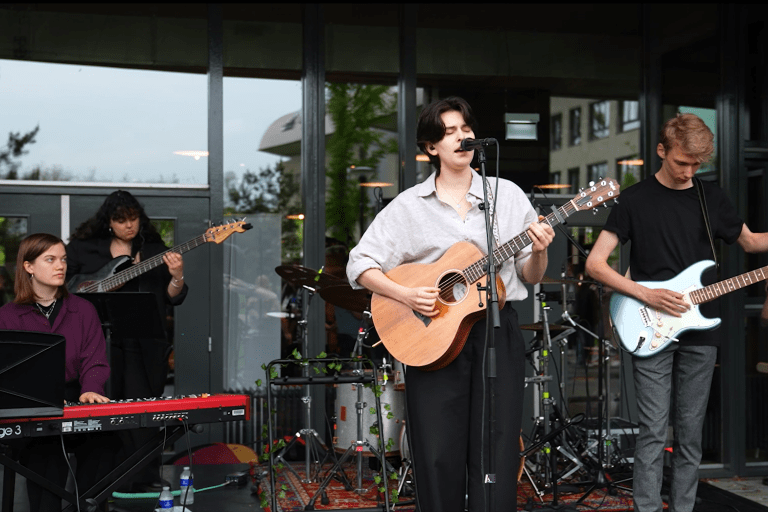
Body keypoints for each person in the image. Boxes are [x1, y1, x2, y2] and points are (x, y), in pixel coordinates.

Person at [346, 96, 554, 512]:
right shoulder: (408, 206)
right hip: (431, 336)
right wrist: (407, 294)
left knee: (496, 449)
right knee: (437, 451)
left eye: (465, 129)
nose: (462, 137)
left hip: (497, 331)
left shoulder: (506, 195)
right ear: (430, 148)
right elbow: (359, 264)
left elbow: (530, 276)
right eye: (449, 132)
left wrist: (541, 251)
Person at [585, 113, 768, 512]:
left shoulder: (711, 198)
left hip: (701, 330)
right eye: (681, 162)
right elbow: (596, 265)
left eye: (696, 165)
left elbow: (752, 242)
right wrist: (646, 295)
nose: (688, 172)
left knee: (690, 432)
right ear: (661, 150)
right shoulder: (633, 201)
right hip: (649, 325)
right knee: (652, 430)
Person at [65, 189, 188, 491]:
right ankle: (97, 483)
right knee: (102, 409)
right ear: (109, 222)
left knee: (142, 411)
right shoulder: (84, 248)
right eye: (121, 220)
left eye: (132, 218)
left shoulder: (154, 249)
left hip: (144, 344)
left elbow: (173, 297)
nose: (128, 225)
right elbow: (67, 285)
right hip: (99, 341)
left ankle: (141, 479)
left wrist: (177, 275)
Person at [0, 233, 119, 512]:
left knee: (108, 445)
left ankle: (87, 507)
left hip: (78, 398)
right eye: (50, 259)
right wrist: (42, 397)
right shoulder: (7, 315)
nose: (60, 266)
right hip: (31, 409)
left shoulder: (84, 309)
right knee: (45, 455)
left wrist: (91, 388)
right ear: (28, 266)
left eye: (63, 259)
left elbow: (96, 361)